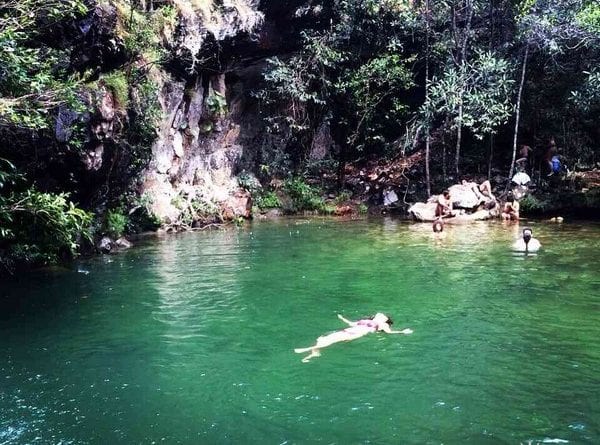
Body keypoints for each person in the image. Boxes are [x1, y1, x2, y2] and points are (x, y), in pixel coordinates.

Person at [294, 313, 413, 362]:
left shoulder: (383, 325)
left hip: (356, 334)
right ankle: (314, 353)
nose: (380, 314)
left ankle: (306, 349)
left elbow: (389, 332)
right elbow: (351, 323)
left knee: (332, 340)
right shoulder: (365, 321)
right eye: (379, 313)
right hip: (349, 330)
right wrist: (342, 318)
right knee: (322, 338)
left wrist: (403, 332)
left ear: (385, 319)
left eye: (382, 315)